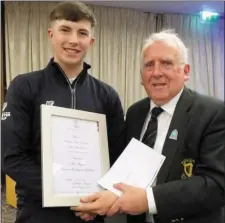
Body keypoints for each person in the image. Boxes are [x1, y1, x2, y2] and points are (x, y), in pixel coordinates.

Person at [72, 30, 225, 223]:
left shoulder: (213, 113)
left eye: (167, 63)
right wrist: (102, 200)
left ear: (185, 72)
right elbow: (128, 170)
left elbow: (217, 184)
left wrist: (148, 200)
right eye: (149, 65)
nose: (156, 72)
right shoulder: (135, 113)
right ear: (141, 75)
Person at [1, 1, 125, 223]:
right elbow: (12, 157)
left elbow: (116, 157)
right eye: (65, 30)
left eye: (82, 33)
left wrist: (99, 199)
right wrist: (64, 194)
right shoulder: (24, 86)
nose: (74, 40)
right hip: (38, 213)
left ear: (91, 41)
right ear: (51, 34)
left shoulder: (108, 96)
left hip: (92, 213)